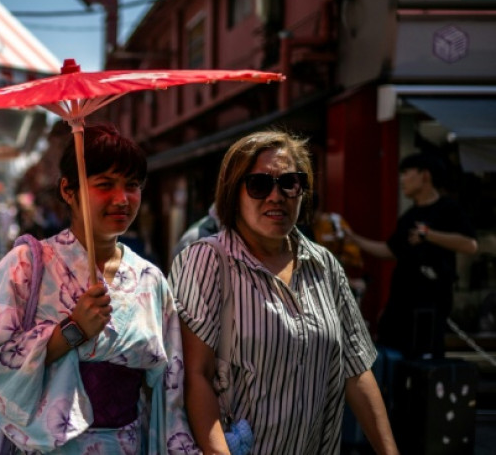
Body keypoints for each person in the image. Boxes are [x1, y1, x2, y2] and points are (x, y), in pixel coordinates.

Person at [0, 124, 196, 453]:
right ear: (68, 191)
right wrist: (70, 332)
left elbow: (167, 386)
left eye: (132, 185)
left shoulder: (150, 279)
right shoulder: (25, 266)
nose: (122, 199)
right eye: (105, 185)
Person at [169, 129, 398, 454]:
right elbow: (197, 376)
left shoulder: (325, 265)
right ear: (234, 193)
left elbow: (356, 371)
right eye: (259, 184)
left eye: (289, 182)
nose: (276, 196)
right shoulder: (208, 260)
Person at [345, 152, 477, 359]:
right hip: (400, 303)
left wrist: (429, 235)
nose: (402, 179)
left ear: (425, 175)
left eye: (407, 173)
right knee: (391, 359)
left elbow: (470, 245)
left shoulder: (448, 209)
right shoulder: (409, 216)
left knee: (423, 365)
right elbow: (390, 250)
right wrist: (354, 239)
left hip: (430, 304)